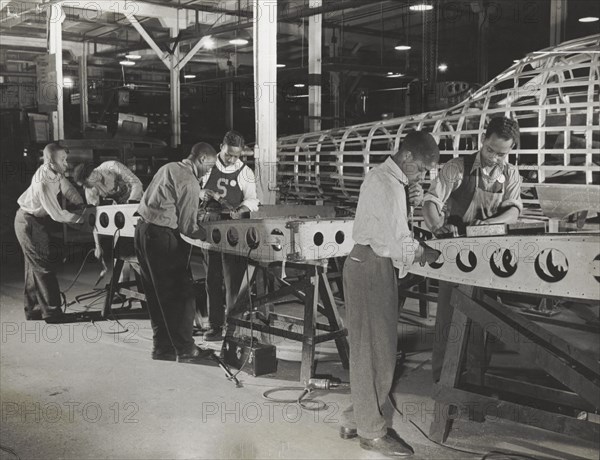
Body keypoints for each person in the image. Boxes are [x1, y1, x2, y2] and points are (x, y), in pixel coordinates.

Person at [340, 131, 441, 458]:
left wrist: (409, 199)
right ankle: (372, 433)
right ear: (408, 157)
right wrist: (428, 253)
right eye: (422, 168)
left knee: (371, 348)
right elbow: (397, 242)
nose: (423, 176)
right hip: (371, 264)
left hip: (367, 262)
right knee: (376, 352)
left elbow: (392, 228)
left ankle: (356, 417)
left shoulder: (386, 178)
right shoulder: (386, 184)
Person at [422, 116, 522, 382]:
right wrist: (436, 226)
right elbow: (430, 201)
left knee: (483, 316)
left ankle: (474, 375)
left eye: (502, 153)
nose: (494, 157)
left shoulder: (510, 173)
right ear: (482, 141)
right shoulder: (457, 167)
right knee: (448, 315)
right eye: (490, 150)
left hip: (490, 254)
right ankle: (442, 377)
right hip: (457, 254)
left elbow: (513, 211)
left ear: (510, 150)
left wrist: (490, 223)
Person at [134, 142, 218, 362]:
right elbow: (188, 228)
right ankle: (186, 350)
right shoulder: (190, 183)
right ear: (201, 158)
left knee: (156, 294)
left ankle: (163, 348)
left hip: (142, 232)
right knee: (182, 295)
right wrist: (210, 235)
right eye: (209, 166)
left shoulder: (168, 167)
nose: (209, 171)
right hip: (162, 238)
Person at [199, 130, 260, 341]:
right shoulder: (206, 165)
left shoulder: (245, 172)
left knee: (233, 279)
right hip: (210, 224)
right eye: (228, 154)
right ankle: (215, 326)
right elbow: (192, 188)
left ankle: (234, 327)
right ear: (221, 147)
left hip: (234, 226)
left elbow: (253, 200)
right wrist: (200, 193)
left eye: (236, 155)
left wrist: (242, 207)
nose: (232, 158)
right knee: (212, 278)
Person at [14, 143, 85, 322]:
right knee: (44, 264)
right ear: (49, 161)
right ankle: (53, 313)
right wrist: (82, 219)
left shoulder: (55, 173)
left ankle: (33, 310)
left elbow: (67, 188)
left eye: (66, 159)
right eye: (62, 160)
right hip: (28, 221)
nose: (66, 164)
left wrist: (81, 204)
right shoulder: (44, 181)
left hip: (33, 220)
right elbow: (57, 214)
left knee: (33, 267)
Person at [73, 160, 144, 302]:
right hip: (121, 213)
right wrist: (97, 246)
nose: (91, 187)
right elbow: (95, 218)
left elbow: (137, 183)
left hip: (138, 203)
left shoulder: (112, 166)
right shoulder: (90, 189)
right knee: (121, 251)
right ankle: (123, 290)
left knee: (142, 251)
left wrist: (129, 205)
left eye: (89, 182)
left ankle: (151, 288)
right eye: (87, 185)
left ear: (92, 173)